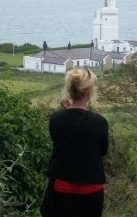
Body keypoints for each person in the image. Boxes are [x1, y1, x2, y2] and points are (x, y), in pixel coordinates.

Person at [40, 68, 109, 217]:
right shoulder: (100, 122)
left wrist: (68, 111)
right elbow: (102, 151)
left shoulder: (56, 118)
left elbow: (60, 141)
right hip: (91, 189)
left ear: (70, 90)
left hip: (62, 187)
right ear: (89, 91)